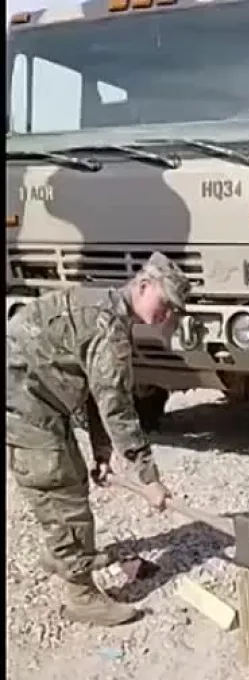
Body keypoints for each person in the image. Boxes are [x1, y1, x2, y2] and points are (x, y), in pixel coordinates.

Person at [7, 252, 190, 627]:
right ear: (142, 286)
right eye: (165, 303)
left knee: (66, 476)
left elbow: (94, 390)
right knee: (62, 487)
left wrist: (102, 451)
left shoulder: (104, 305)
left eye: (175, 309)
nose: (167, 315)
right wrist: (149, 479)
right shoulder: (111, 328)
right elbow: (117, 407)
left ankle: (63, 554)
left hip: (33, 393)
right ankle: (82, 595)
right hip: (23, 397)